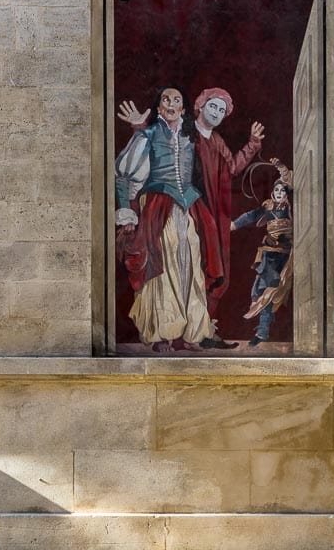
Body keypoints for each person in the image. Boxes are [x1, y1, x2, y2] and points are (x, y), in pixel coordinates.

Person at [114, 86, 225, 352]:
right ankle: (162, 334)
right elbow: (123, 176)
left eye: (177, 100)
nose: (171, 104)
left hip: (188, 208)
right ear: (159, 107)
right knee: (163, 266)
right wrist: (127, 213)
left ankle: (192, 333)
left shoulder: (190, 137)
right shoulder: (148, 135)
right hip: (159, 207)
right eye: (166, 100)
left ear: (184, 109)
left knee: (192, 263)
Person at [189, 88, 264, 328]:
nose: (217, 112)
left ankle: (203, 329)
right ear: (200, 106)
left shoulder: (217, 141)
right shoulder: (185, 132)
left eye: (222, 110)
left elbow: (233, 168)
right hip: (188, 209)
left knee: (215, 271)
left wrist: (253, 143)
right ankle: (186, 332)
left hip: (214, 212)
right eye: (213, 106)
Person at [231, 159, 293, 347]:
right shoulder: (268, 206)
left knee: (269, 292)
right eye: (276, 190)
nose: (279, 193)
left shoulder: (291, 207)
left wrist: (280, 166)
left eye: (282, 190)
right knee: (259, 291)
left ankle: (263, 330)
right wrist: (233, 225)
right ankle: (264, 328)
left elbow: (287, 179)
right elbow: (250, 216)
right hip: (268, 256)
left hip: (284, 257)